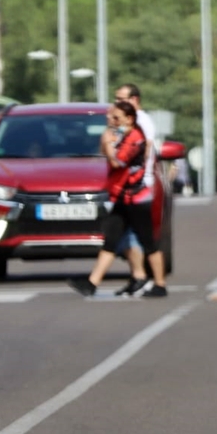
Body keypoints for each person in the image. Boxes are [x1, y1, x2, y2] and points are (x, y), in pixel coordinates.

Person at [68, 101, 156, 298]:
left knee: (142, 240)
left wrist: (108, 144)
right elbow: (108, 155)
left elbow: (117, 162)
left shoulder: (135, 137)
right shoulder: (122, 135)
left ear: (129, 118)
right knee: (116, 239)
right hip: (121, 194)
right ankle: (130, 278)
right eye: (111, 117)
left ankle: (156, 282)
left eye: (116, 117)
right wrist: (107, 142)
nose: (113, 121)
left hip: (133, 195)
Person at [114, 84, 168, 297]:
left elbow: (142, 151)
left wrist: (136, 174)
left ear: (135, 99)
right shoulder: (127, 121)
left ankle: (155, 282)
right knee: (127, 236)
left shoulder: (141, 122)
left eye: (121, 99)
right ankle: (139, 277)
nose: (117, 102)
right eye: (116, 98)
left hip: (139, 188)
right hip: (129, 188)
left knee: (142, 238)